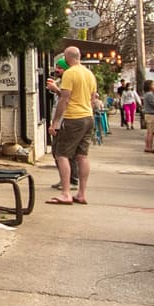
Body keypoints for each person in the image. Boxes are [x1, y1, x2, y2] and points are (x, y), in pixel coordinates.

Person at [49, 45, 97, 205]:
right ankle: (81, 193)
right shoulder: (89, 74)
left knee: (62, 154)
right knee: (82, 156)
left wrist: (56, 121)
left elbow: (64, 98)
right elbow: (92, 98)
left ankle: (66, 193)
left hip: (73, 118)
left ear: (67, 57)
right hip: (88, 117)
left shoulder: (70, 74)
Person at [141, 82, 154, 153]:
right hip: (151, 115)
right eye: (153, 84)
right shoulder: (150, 95)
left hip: (148, 114)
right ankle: (149, 147)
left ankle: (148, 146)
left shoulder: (147, 94)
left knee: (150, 132)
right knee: (151, 132)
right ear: (149, 86)